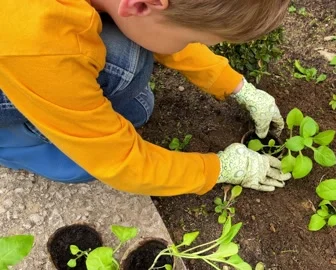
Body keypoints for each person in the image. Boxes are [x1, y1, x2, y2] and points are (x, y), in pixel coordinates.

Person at [0, 0, 292, 196]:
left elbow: (165, 19)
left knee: (135, 97)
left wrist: (237, 86)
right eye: (193, 39)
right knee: (82, 164)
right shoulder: (41, 38)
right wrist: (218, 168)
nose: (191, 44)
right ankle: (13, 142)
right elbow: (124, 164)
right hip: (17, 50)